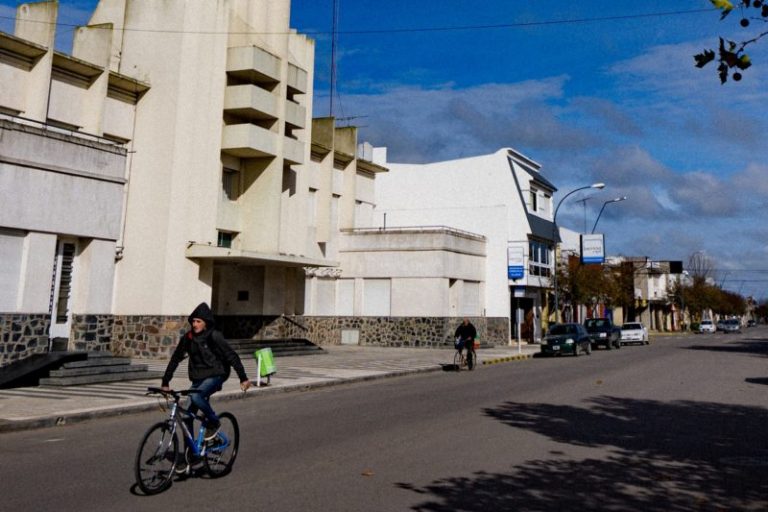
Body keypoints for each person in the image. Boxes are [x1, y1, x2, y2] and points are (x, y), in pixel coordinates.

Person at [161, 302, 251, 443]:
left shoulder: (214, 336)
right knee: (186, 418)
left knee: (197, 397)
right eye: (193, 321)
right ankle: (190, 456)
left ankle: (214, 422)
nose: (195, 324)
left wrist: (243, 378)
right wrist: (165, 382)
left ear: (206, 323)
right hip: (198, 378)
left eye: (199, 321)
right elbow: (175, 359)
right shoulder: (188, 338)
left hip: (217, 374)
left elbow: (231, 355)